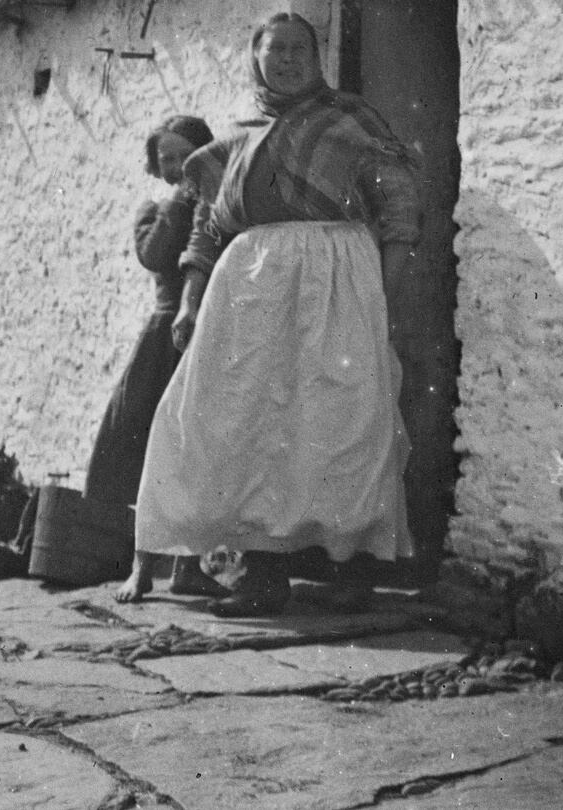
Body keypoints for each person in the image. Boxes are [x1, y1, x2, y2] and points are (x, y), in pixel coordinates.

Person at [134, 12, 423, 617]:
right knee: (246, 422)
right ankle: (260, 576)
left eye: (300, 49)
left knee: (338, 419)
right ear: (256, 57)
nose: (288, 60)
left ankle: (353, 571)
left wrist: (384, 298)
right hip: (249, 288)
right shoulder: (239, 139)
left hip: (335, 277)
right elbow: (210, 229)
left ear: (318, 57)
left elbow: (398, 204)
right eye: (276, 50)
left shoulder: (351, 121)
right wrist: (190, 300)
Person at [85, 115, 230, 603]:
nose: (174, 166)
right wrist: (169, 205)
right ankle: (142, 566)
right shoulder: (165, 207)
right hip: (167, 334)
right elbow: (156, 255)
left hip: (211, 329)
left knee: (196, 449)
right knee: (152, 444)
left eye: (182, 155)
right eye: (165, 158)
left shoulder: (216, 197)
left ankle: (187, 568)